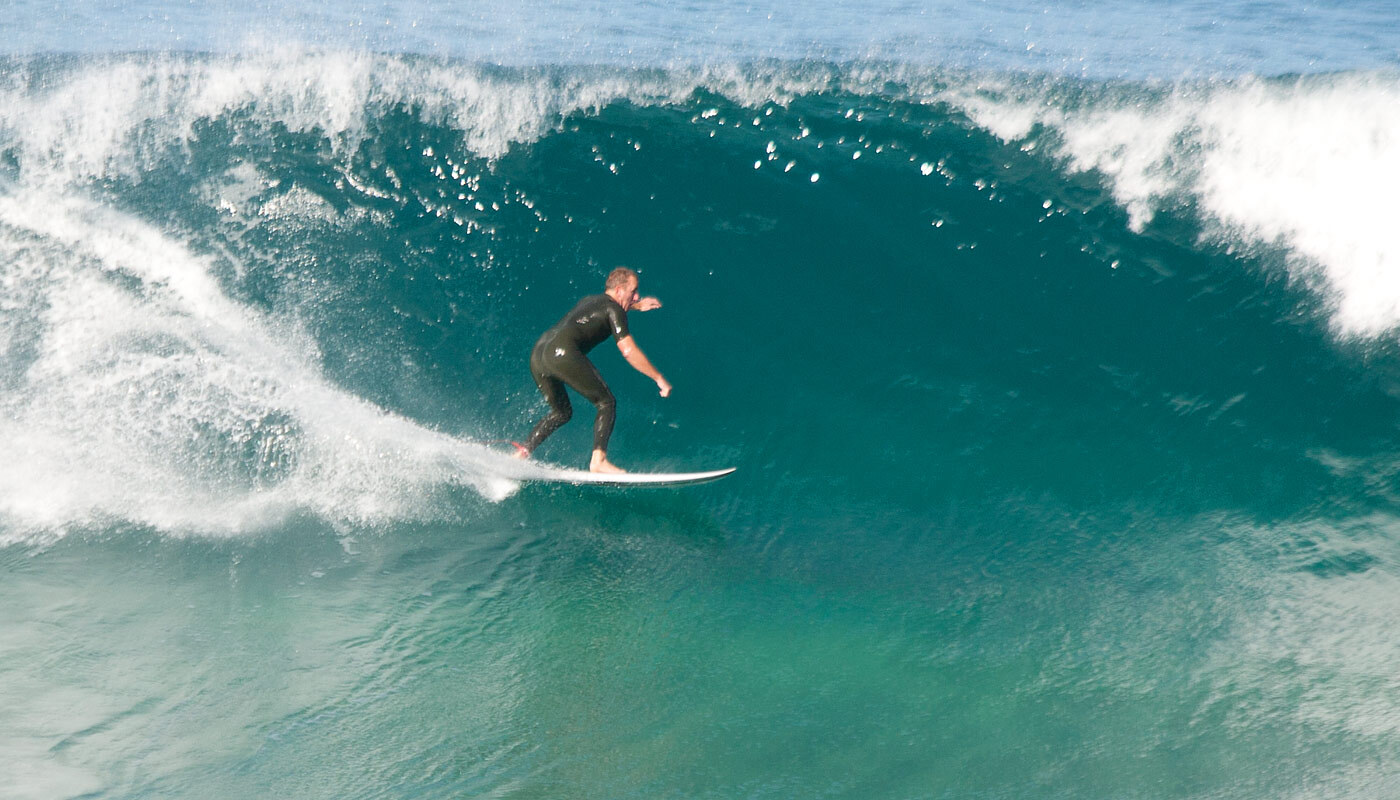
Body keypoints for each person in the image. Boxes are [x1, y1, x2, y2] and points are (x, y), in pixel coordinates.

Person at [515, 267, 671, 473]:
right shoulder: (614, 310)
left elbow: (603, 310)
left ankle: (519, 456)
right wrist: (658, 378)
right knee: (606, 402)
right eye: (633, 291)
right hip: (562, 353)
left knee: (561, 412)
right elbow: (628, 350)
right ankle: (598, 461)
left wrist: (636, 306)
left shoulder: (589, 300)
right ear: (619, 290)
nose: (637, 295)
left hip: (538, 356)